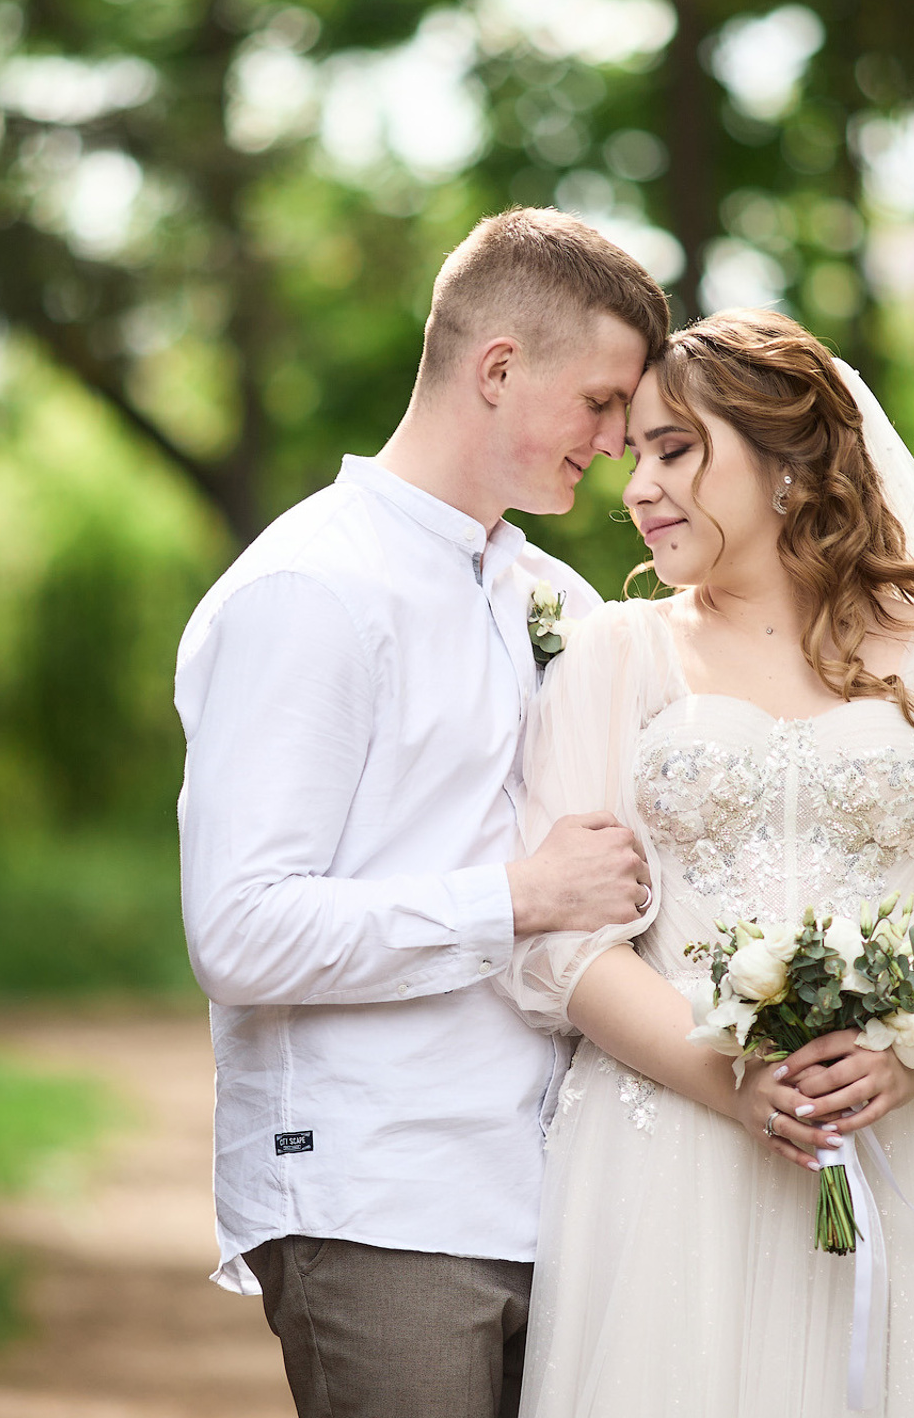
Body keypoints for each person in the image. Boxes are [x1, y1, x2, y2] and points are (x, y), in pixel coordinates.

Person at [503, 310, 914, 1415]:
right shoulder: (611, 657)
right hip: (677, 1156)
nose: (636, 486)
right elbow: (570, 942)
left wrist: (911, 1060)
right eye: (633, 452)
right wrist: (730, 1085)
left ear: (787, 463)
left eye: (674, 448)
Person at [173, 208, 670, 1418]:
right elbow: (239, 934)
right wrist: (520, 897)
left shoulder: (554, 593)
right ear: (498, 369)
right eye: (601, 405)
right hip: (380, 1199)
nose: (615, 446)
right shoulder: (311, 591)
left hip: (558, 1188)